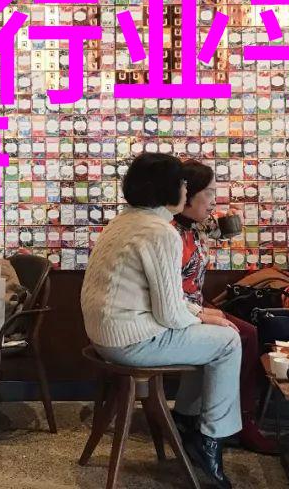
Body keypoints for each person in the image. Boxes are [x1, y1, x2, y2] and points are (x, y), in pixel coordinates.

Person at [81, 153, 242, 489]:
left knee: (209, 333)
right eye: (182, 182)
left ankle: (187, 423)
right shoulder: (161, 232)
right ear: (168, 187)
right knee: (229, 340)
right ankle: (210, 440)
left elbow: (168, 305)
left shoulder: (123, 222)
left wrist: (199, 315)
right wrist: (200, 315)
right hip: (131, 341)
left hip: (103, 337)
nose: (185, 189)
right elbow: (169, 313)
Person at [175, 159, 277, 454]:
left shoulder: (194, 224)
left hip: (194, 304)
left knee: (248, 333)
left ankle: (194, 415)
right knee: (244, 335)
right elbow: (167, 294)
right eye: (208, 193)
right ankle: (238, 422)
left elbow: (224, 230)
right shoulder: (169, 233)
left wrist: (232, 221)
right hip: (179, 310)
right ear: (186, 194)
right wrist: (202, 313)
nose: (213, 200)